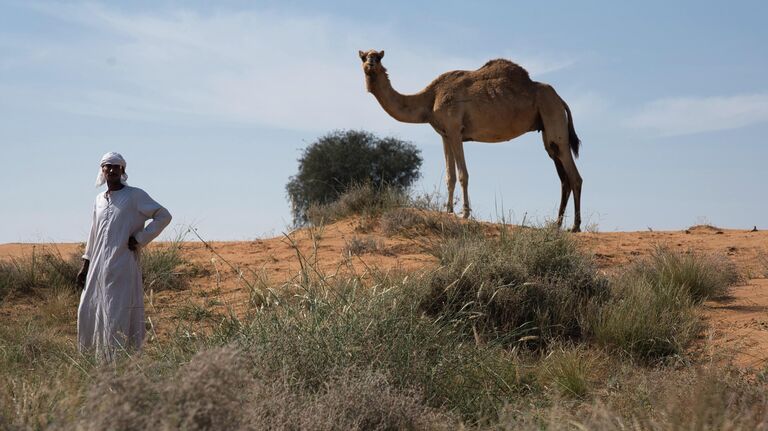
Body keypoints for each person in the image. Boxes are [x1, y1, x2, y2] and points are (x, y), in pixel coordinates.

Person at [76, 152, 172, 360]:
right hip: (97, 267)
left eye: (116, 166)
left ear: (123, 171)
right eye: (107, 166)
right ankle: (93, 360)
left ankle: (118, 362)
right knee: (87, 310)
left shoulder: (135, 196)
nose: (111, 170)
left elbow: (163, 215)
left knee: (115, 312)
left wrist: (140, 238)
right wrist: (85, 265)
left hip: (122, 264)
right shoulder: (99, 200)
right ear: (102, 171)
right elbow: (94, 233)